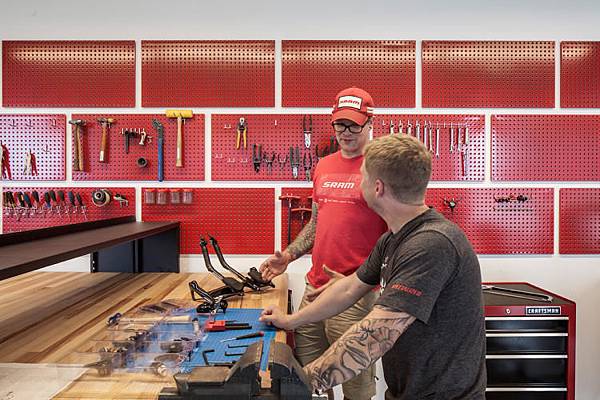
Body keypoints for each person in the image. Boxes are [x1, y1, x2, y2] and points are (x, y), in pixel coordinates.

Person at [261, 134, 487, 400]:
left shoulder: (431, 245)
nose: (359, 183)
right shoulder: (394, 237)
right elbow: (349, 288)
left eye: (363, 176)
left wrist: (300, 383)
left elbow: (374, 336)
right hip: (408, 391)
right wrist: (289, 321)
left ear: (377, 187)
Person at [259, 87, 388, 400]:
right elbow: (317, 224)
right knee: (307, 379)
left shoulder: (383, 169)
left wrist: (373, 281)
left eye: (354, 125)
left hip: (354, 293)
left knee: (356, 387)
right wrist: (288, 256)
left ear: (370, 123)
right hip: (315, 290)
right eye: (340, 124)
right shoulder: (324, 166)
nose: (346, 132)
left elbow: (398, 237)